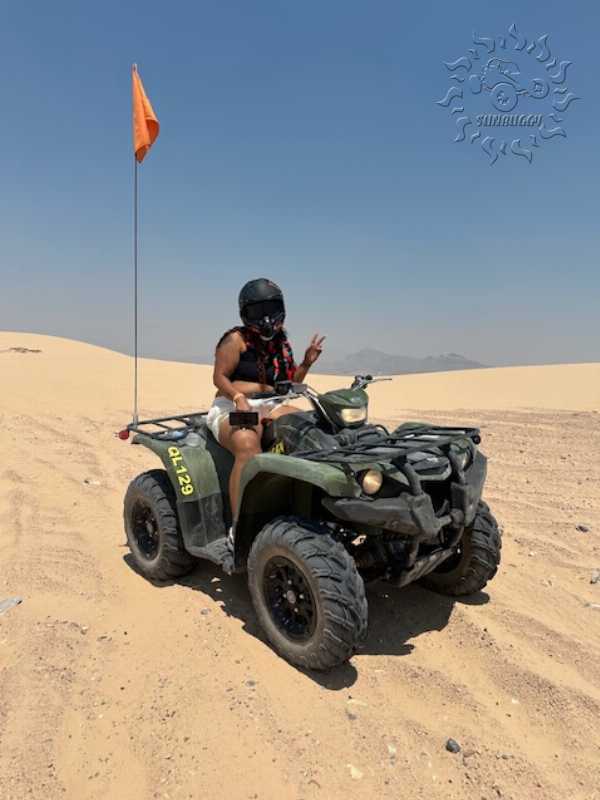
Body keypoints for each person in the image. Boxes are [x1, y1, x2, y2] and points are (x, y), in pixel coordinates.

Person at [208, 278, 325, 541]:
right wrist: (237, 396)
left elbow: (289, 384)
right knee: (247, 442)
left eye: (271, 310)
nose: (267, 318)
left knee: (304, 428)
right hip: (231, 405)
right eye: (258, 311)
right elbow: (219, 377)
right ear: (245, 313)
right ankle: (240, 527)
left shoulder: (281, 344)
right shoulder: (235, 340)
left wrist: (306, 363)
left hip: (271, 403)